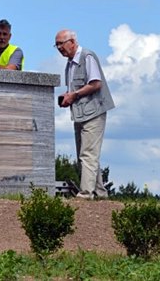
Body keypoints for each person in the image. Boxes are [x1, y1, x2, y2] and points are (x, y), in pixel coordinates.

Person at [56, 29, 114, 199]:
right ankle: (100, 192)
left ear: (72, 42)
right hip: (81, 112)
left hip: (93, 111)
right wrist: (68, 96)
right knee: (88, 152)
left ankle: (86, 193)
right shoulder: (70, 62)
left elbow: (96, 84)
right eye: (57, 44)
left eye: (62, 43)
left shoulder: (87, 56)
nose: (59, 47)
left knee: (87, 153)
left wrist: (74, 95)